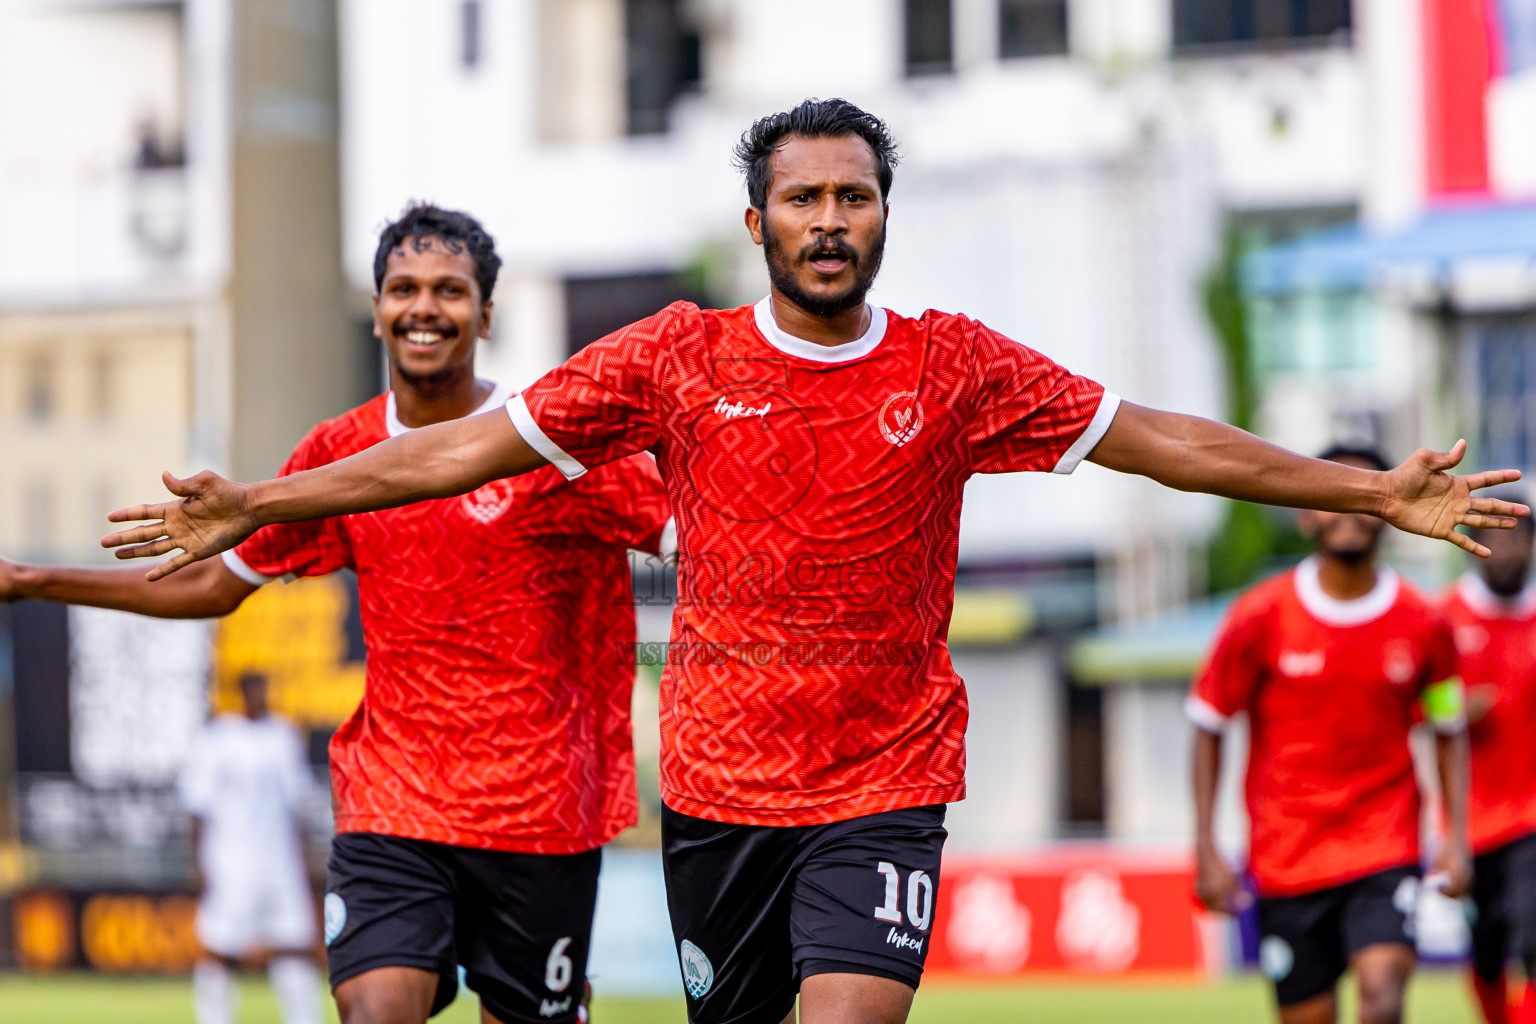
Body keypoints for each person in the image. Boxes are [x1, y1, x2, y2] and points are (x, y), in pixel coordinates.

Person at [99, 100, 1524, 1024]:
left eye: (853, 197)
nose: (829, 222)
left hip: (884, 778)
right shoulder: (672, 358)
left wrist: (1362, 489)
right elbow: (452, 454)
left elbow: (1160, 441)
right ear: (757, 223)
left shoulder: (956, 368)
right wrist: (267, 503)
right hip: (719, 789)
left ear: (882, 215)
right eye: (804, 200)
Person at [1, 204, 672, 1024]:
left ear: (487, 314)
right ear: (380, 307)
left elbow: (695, 537)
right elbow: (213, 586)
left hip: (542, 808)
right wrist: (27, 579)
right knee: (373, 1010)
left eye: (450, 290)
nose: (424, 306)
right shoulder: (335, 454)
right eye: (403, 288)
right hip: (395, 801)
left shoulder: (555, 442)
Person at [1189, 445, 1472, 1024]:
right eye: (1332, 495)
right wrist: (1206, 844)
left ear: (1389, 507)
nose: (1348, 511)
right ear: (1306, 511)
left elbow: (1448, 727)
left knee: (1382, 995)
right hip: (1287, 855)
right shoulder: (1258, 617)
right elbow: (1209, 724)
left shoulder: (1425, 622)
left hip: (1383, 846)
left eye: (1362, 494)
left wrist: (1457, 834)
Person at [1441, 493, 1536, 1024]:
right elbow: (1419, 703)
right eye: (1494, 537)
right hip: (1471, 821)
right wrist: (1456, 709)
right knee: (1486, 949)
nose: (1505, 550)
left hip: (1532, 815)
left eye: (1517, 537)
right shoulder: (1445, 617)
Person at [180, 670, 322, 1024]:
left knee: (295, 948)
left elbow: (297, 808)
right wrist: (199, 862)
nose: (258, 695)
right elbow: (198, 806)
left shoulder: (284, 736)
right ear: (240, 692)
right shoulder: (219, 737)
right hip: (230, 863)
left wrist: (305, 862)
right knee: (219, 950)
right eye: (252, 689)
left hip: (279, 863)